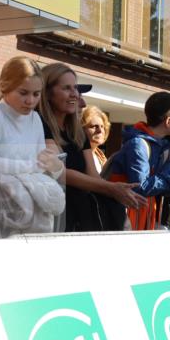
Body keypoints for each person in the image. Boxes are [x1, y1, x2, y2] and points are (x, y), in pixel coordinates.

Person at [0, 57, 65, 240]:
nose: (30, 101)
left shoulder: (35, 119)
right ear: (4, 86)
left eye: (36, 94)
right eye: (23, 92)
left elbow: (42, 166)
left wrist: (54, 165)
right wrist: (33, 166)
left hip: (24, 210)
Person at [39, 63, 144, 231]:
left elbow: (93, 175)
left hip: (80, 214)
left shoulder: (77, 132)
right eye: (66, 88)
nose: (74, 94)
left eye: (75, 88)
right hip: (51, 213)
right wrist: (111, 188)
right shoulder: (39, 124)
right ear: (47, 92)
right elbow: (59, 171)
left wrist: (116, 191)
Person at [104, 92, 170, 229]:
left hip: (142, 218)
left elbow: (158, 184)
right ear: (168, 121)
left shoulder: (159, 144)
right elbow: (140, 187)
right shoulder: (138, 144)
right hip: (123, 219)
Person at [80, 105, 110, 174]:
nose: (100, 130)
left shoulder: (101, 157)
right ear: (81, 129)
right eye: (94, 126)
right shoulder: (78, 156)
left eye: (102, 126)